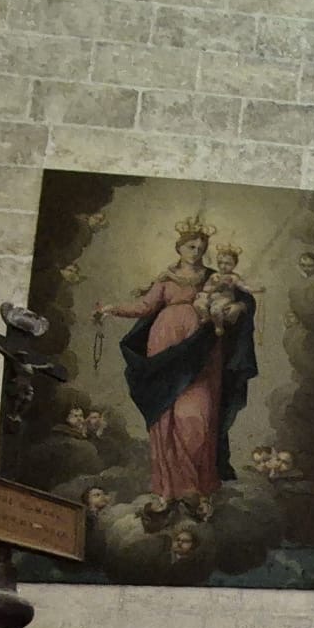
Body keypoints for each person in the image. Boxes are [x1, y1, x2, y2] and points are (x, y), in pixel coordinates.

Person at [93, 218, 256, 509]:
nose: (196, 251)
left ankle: (194, 486)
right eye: (191, 246)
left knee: (196, 417)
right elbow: (144, 307)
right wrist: (110, 309)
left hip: (202, 348)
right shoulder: (165, 280)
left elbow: (241, 298)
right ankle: (168, 489)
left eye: (201, 247)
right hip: (165, 345)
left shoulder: (213, 277)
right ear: (179, 248)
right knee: (166, 415)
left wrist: (238, 306)